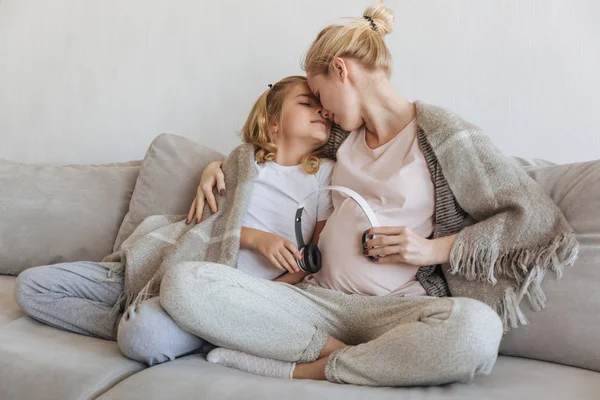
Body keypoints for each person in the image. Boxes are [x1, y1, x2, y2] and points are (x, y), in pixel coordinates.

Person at [164, 3, 575, 387]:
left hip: (394, 309)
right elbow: (268, 155)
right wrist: (216, 168)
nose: (323, 112)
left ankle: (316, 368)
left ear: (341, 71)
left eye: (321, 96)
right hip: (313, 300)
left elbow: (533, 218)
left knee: (477, 328)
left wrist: (432, 250)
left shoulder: (442, 135)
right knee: (185, 282)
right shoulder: (341, 137)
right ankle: (354, 359)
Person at [14, 75, 335, 366]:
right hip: (158, 265)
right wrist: (252, 236)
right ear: (273, 122)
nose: (320, 111)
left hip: (217, 300)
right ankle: (140, 303)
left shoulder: (323, 175)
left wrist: (259, 297)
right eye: (307, 103)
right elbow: (214, 225)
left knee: (141, 337)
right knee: (31, 286)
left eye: (324, 108)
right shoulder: (241, 162)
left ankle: (163, 319)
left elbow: (313, 260)